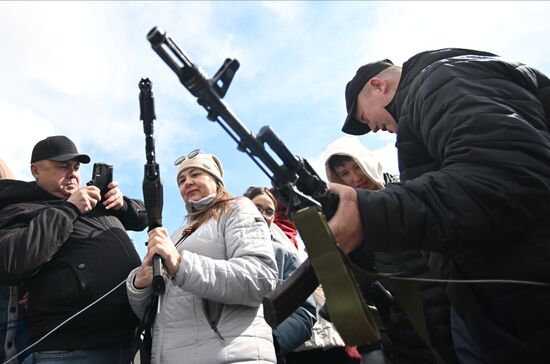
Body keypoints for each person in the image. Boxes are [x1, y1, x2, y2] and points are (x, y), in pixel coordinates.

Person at [327, 49, 550, 364]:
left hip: (526, 303)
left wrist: (373, 213)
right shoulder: (434, 91)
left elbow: (506, 177)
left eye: (366, 118)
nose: (374, 128)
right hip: (499, 306)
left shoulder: (443, 81)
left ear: (379, 86)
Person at [0, 136, 147, 364]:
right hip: (69, 350)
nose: (72, 173)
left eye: (76, 167)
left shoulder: (91, 200)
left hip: (125, 345)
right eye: (62, 167)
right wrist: (69, 209)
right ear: (35, 171)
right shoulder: (19, 207)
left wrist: (122, 204)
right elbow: (12, 261)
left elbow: (143, 218)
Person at [126, 150, 278, 364]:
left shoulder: (237, 209)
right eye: (181, 180)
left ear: (216, 180)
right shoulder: (178, 235)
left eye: (196, 174)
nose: (187, 182)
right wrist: (140, 285)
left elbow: (260, 278)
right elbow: (156, 313)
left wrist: (180, 264)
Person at [325, 136, 456, 363]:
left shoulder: (408, 192)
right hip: (408, 333)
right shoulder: (349, 225)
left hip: (457, 313)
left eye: (357, 166)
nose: (356, 177)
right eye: (345, 173)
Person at [243, 186, 316, 363]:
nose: (262, 215)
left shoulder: (285, 256)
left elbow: (304, 314)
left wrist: (271, 342)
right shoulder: (217, 248)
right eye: (256, 207)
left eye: (269, 211)